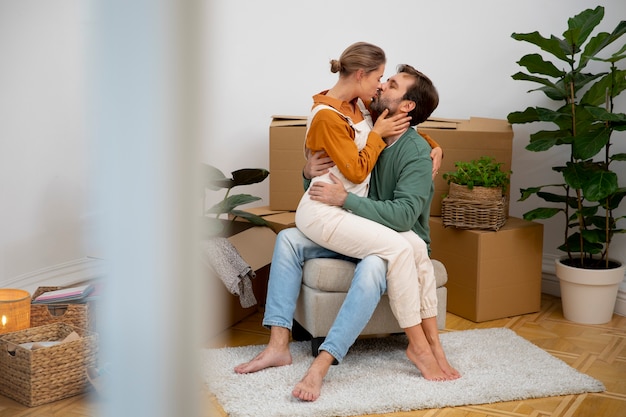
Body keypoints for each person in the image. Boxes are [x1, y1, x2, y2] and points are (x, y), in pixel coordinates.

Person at [235, 44, 458, 400]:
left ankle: (332, 360)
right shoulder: (368, 117)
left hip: (376, 226)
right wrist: (309, 173)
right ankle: (278, 343)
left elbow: (392, 203)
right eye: (380, 78)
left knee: (383, 260)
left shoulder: (393, 135)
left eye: (390, 83)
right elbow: (343, 168)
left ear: (406, 107)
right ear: (362, 78)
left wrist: (431, 143)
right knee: (289, 240)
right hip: (353, 222)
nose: (381, 86)